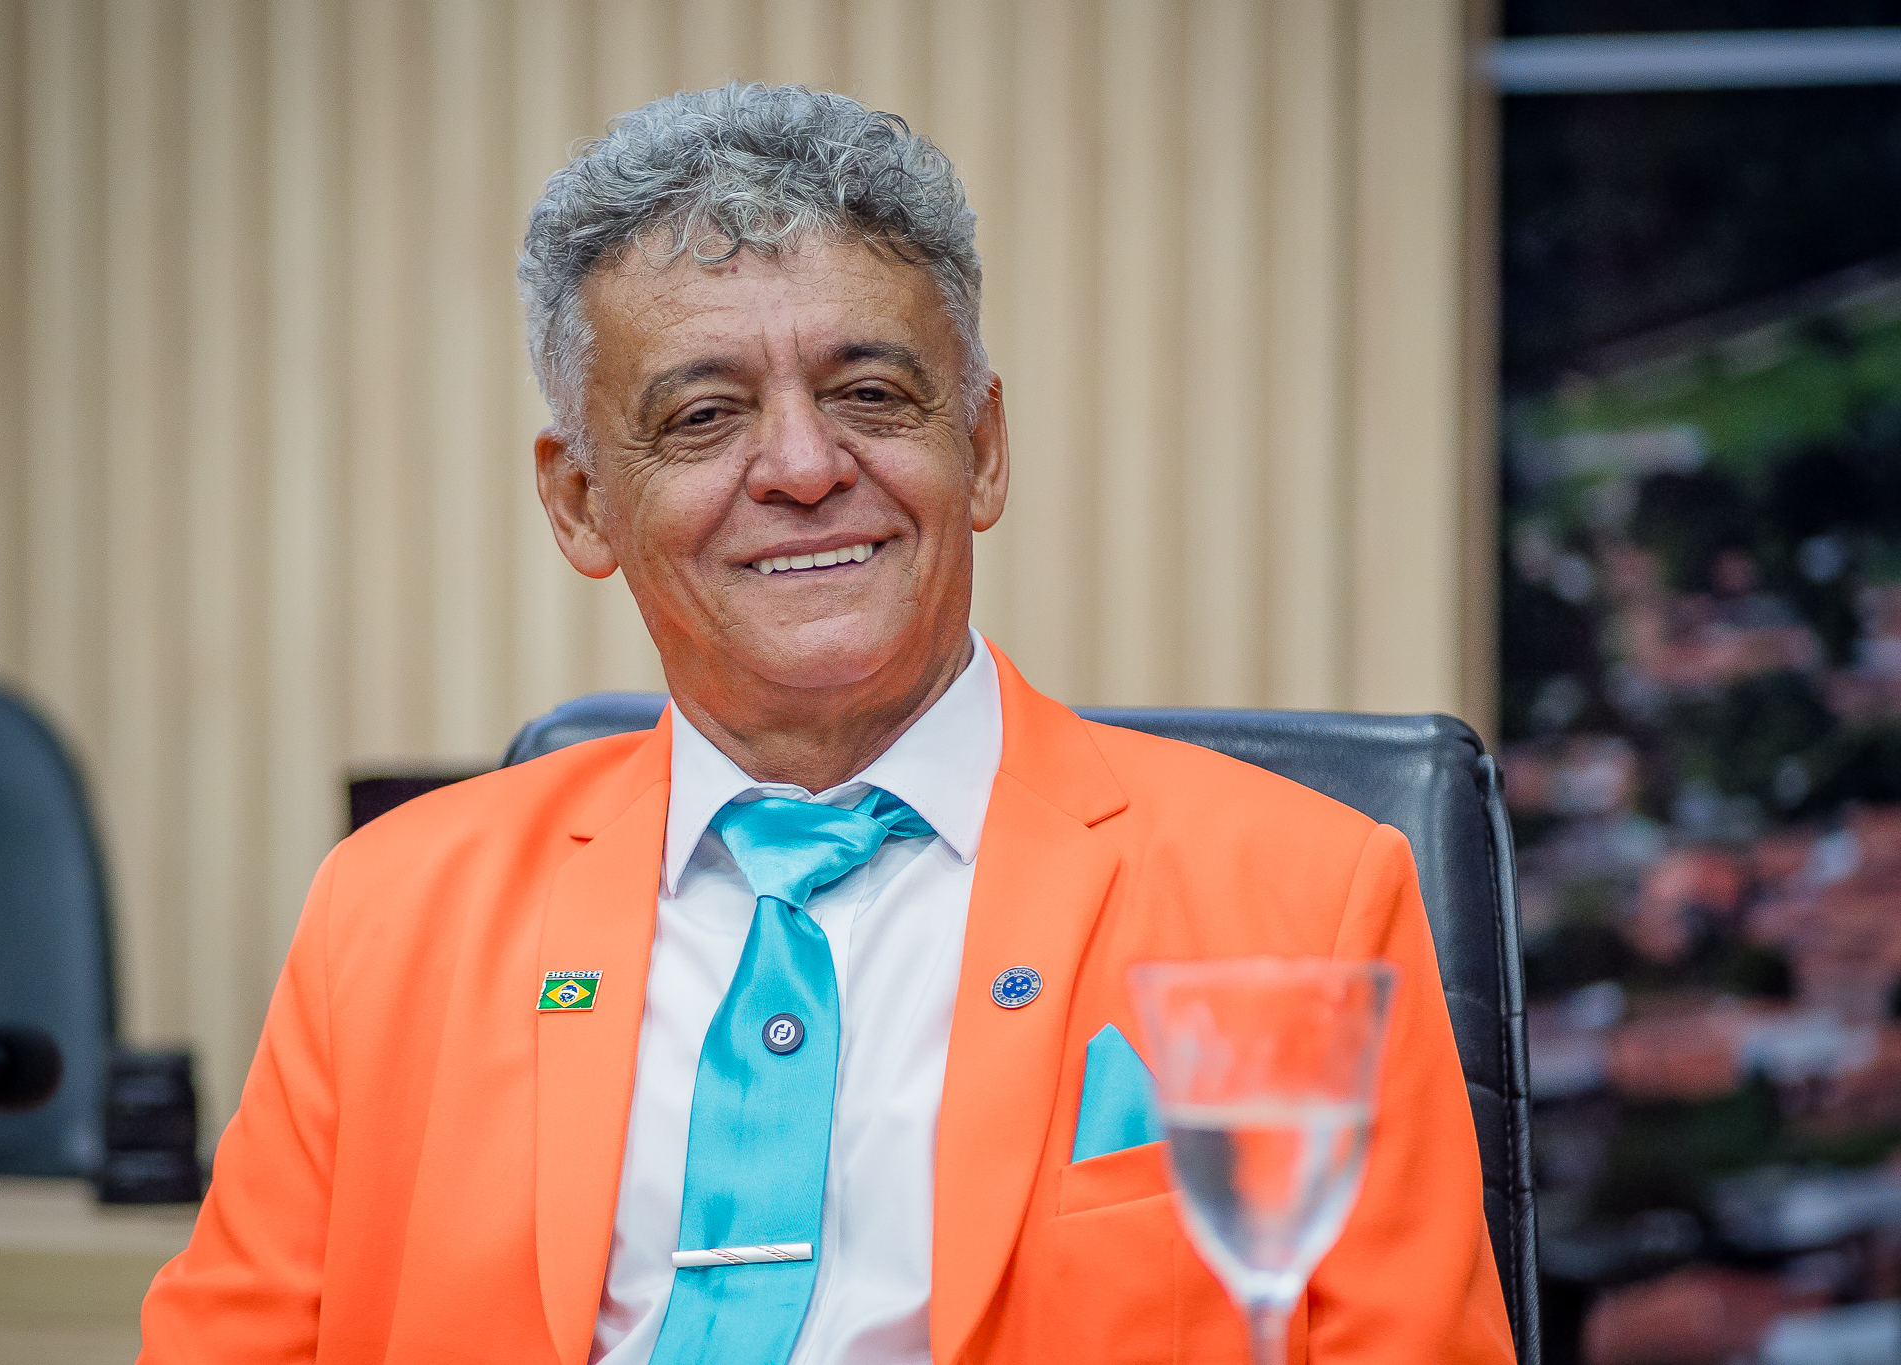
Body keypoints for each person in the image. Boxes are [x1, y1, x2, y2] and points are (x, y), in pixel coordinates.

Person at [137, 83, 1513, 1365]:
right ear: (580, 503)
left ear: (982, 449)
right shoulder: (388, 910)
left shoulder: (1305, 894)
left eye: (870, 396)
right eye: (703, 415)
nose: (802, 468)